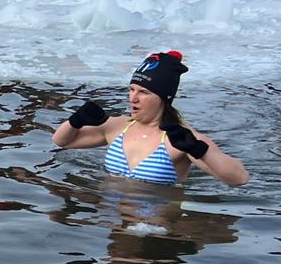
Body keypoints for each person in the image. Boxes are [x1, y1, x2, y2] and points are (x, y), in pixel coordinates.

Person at [51, 50, 248, 187]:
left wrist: (200, 151)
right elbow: (62, 141)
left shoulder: (179, 138)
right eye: (131, 89)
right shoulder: (119, 126)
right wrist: (76, 121)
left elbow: (239, 178)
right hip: (113, 218)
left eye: (143, 92)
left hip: (156, 224)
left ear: (163, 98)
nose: (133, 98)